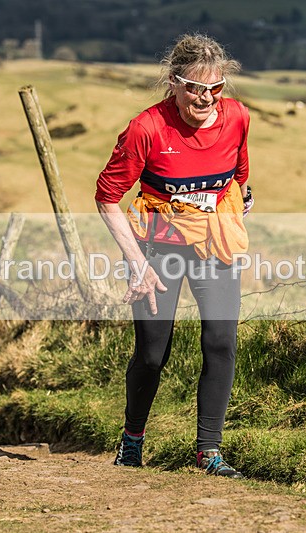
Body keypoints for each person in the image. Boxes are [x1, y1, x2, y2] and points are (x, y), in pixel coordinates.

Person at [95, 33, 253, 479]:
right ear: (173, 82)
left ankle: (209, 452)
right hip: (157, 249)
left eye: (215, 88)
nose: (206, 98)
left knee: (221, 342)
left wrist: (236, 205)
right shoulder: (146, 128)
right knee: (151, 354)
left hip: (213, 245)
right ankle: (132, 440)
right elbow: (107, 197)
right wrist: (136, 262)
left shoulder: (238, 118)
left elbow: (239, 175)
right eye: (194, 88)